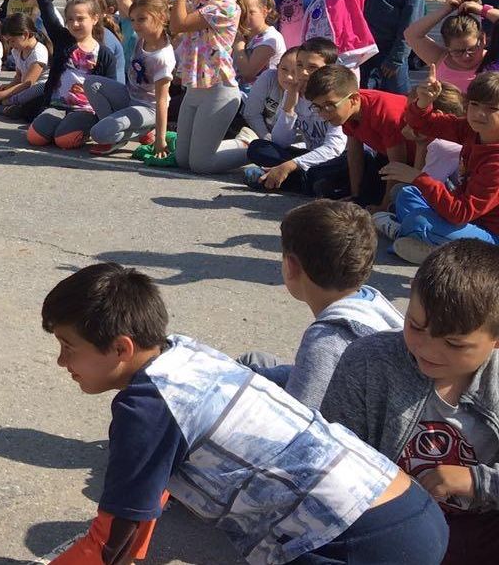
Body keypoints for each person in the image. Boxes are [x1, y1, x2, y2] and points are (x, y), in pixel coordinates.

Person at [43, 262, 446, 565]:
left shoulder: (147, 408)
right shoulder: (182, 352)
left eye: (68, 346)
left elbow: (113, 541)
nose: (62, 362)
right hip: (407, 505)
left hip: (356, 541)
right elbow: (140, 510)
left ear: (121, 348)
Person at [321, 241, 499, 564]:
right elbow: (332, 456)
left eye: (455, 344)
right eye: (416, 326)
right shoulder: (368, 361)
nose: (428, 350)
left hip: (478, 525)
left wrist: (475, 481)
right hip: (389, 522)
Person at [238, 200, 404, 409]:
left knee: (239, 376)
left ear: (291, 267)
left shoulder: (325, 342)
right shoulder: (372, 300)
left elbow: (299, 425)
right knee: (253, 362)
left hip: (342, 432)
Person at [375, 74, 499, 265]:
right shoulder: (471, 130)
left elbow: (461, 213)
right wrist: (424, 102)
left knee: (420, 220)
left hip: (490, 238)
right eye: (474, 104)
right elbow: (423, 124)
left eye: (492, 109)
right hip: (466, 221)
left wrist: (418, 177)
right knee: (407, 193)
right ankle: (427, 244)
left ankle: (409, 235)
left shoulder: (496, 163)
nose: (479, 114)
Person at [170, 0, 249, 174]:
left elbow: (178, 23)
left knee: (201, 164)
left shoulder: (226, 6)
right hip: (195, 86)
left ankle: (249, 146)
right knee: (183, 161)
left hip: (219, 89)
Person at [87, 0, 174, 155]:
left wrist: (160, 141)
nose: (135, 24)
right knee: (92, 83)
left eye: (142, 19)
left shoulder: (162, 55)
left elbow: (162, 102)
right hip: (129, 96)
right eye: (133, 19)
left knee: (98, 133)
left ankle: (132, 133)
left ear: (161, 17)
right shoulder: (139, 37)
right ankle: (121, 127)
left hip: (149, 109)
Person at [305, 63, 412, 212]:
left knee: (389, 199)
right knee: (319, 177)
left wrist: (384, 206)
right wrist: (356, 195)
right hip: (385, 157)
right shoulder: (346, 111)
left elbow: (398, 163)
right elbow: (354, 154)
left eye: (329, 106)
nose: (323, 114)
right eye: (317, 107)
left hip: (415, 163)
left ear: (354, 99)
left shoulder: (384, 112)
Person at [245, 48, 349, 197]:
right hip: (311, 157)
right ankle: (305, 183)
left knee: (337, 168)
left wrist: (291, 165)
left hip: (337, 159)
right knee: (258, 148)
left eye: (312, 68)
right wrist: (289, 108)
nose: (303, 73)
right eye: (300, 66)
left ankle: (290, 181)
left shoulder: (334, 96)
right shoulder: (293, 93)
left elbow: (334, 149)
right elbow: (280, 142)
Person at [26, 0, 117, 150]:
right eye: (70, 19)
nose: (75, 24)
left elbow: (110, 89)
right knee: (35, 137)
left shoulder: (104, 54)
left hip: (85, 110)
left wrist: (106, 123)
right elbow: (49, 18)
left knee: (64, 141)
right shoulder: (64, 41)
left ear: (95, 18)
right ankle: (59, 125)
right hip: (57, 105)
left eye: (80, 19)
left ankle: (84, 130)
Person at [406, 0, 496, 94]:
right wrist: (445, 10)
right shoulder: (440, 59)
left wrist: (482, 10)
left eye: (472, 49)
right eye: (457, 51)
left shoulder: (493, 60)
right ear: (448, 47)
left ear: (483, 39)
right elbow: (411, 34)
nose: (466, 56)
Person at [0, 12, 48, 118]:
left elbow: (28, 84)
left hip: (34, 91)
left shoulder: (39, 52)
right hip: (20, 90)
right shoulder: (17, 51)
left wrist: (0, 95)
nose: (10, 45)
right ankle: (5, 109)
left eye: (12, 41)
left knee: (40, 87)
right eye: (8, 41)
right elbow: (18, 77)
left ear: (25, 35)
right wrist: (6, 88)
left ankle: (5, 103)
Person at [234, 0, 285, 85]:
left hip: (258, 97)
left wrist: (238, 45)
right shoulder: (245, 34)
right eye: (242, 11)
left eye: (251, 12)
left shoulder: (270, 38)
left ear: (265, 11)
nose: (245, 16)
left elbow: (248, 73)